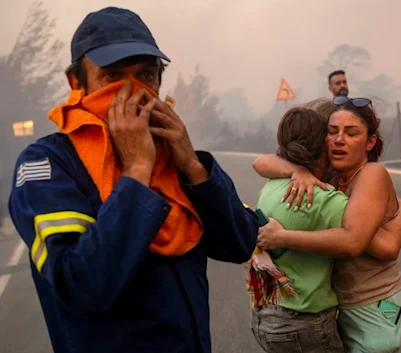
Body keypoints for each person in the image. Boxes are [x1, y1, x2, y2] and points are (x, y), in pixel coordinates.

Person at [8, 7, 259, 353]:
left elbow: (241, 243)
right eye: (112, 77)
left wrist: (195, 168)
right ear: (76, 83)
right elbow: (82, 286)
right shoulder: (48, 163)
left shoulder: (172, 155)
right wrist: (138, 170)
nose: (132, 91)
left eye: (145, 74)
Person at [253, 96, 401, 353]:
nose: (339, 140)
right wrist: (298, 170)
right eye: (332, 132)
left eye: (351, 133)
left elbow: (367, 244)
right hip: (343, 311)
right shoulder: (331, 178)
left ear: (370, 141)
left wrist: (283, 237)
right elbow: (260, 162)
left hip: (377, 307)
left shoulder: (371, 174)